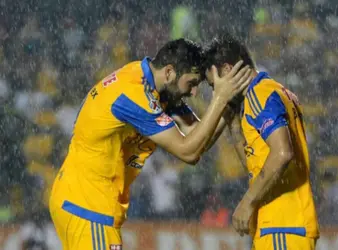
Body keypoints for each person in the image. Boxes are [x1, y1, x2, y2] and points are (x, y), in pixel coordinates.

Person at [49, 38, 252, 250]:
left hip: (85, 201)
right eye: (191, 83)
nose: (193, 93)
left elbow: (196, 138)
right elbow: (188, 152)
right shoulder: (133, 94)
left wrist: (227, 105)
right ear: (169, 72)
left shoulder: (160, 90)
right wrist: (219, 99)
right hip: (87, 204)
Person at [202, 34, 320, 250]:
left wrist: (247, 202)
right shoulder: (276, 92)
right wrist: (234, 127)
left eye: (214, 84)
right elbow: (258, 165)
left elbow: (282, 153)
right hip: (285, 226)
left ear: (228, 70)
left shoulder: (260, 94)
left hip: (281, 227)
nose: (216, 91)